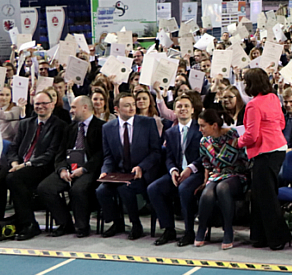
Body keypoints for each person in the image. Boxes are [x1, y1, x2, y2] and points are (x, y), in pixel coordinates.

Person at [237, 68, 292, 250]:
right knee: (259, 195)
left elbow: (251, 135)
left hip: (265, 152)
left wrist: (237, 142)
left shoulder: (253, 105)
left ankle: (278, 238)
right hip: (278, 149)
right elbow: (282, 123)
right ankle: (260, 237)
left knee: (266, 197)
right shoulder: (274, 98)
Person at [0, 92, 67, 240]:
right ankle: (4, 219)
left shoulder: (59, 125)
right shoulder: (26, 124)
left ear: (52, 104)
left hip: (42, 166)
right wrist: (15, 163)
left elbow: (51, 154)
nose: (40, 107)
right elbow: (13, 148)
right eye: (37, 104)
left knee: (14, 179)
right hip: (20, 165)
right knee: (2, 175)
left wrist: (25, 165)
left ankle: (29, 224)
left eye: (44, 103)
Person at [97, 93, 163, 240]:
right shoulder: (107, 128)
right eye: (127, 105)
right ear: (117, 109)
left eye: (133, 104)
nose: (132, 108)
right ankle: (117, 222)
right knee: (101, 191)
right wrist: (105, 171)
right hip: (119, 172)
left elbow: (156, 152)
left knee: (125, 189)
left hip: (141, 173)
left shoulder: (148, 123)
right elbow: (108, 156)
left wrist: (142, 167)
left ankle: (136, 225)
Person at [36, 96, 104, 238]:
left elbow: (101, 155)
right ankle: (65, 223)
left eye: (73, 107)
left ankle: (82, 225)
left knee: (78, 189)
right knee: (45, 188)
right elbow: (60, 153)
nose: (71, 111)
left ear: (85, 107)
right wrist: (62, 169)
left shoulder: (101, 127)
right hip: (69, 167)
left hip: (89, 169)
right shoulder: (69, 128)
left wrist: (84, 169)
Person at [147, 95, 204, 246]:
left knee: (184, 189)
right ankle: (168, 229)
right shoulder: (170, 132)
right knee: (154, 189)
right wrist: (172, 170)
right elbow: (169, 157)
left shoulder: (200, 129)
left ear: (192, 110)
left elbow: (204, 156)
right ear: (174, 110)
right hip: (177, 172)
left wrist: (191, 169)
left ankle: (189, 231)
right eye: (179, 106)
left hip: (197, 172)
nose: (183, 109)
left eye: (186, 106)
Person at [195, 108, 249, 250]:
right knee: (207, 193)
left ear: (214, 125)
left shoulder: (233, 135)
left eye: (202, 126)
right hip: (216, 175)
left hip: (236, 174)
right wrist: (205, 181)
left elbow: (236, 159)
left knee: (222, 188)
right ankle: (202, 228)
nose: (200, 129)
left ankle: (228, 230)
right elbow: (206, 163)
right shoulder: (203, 142)